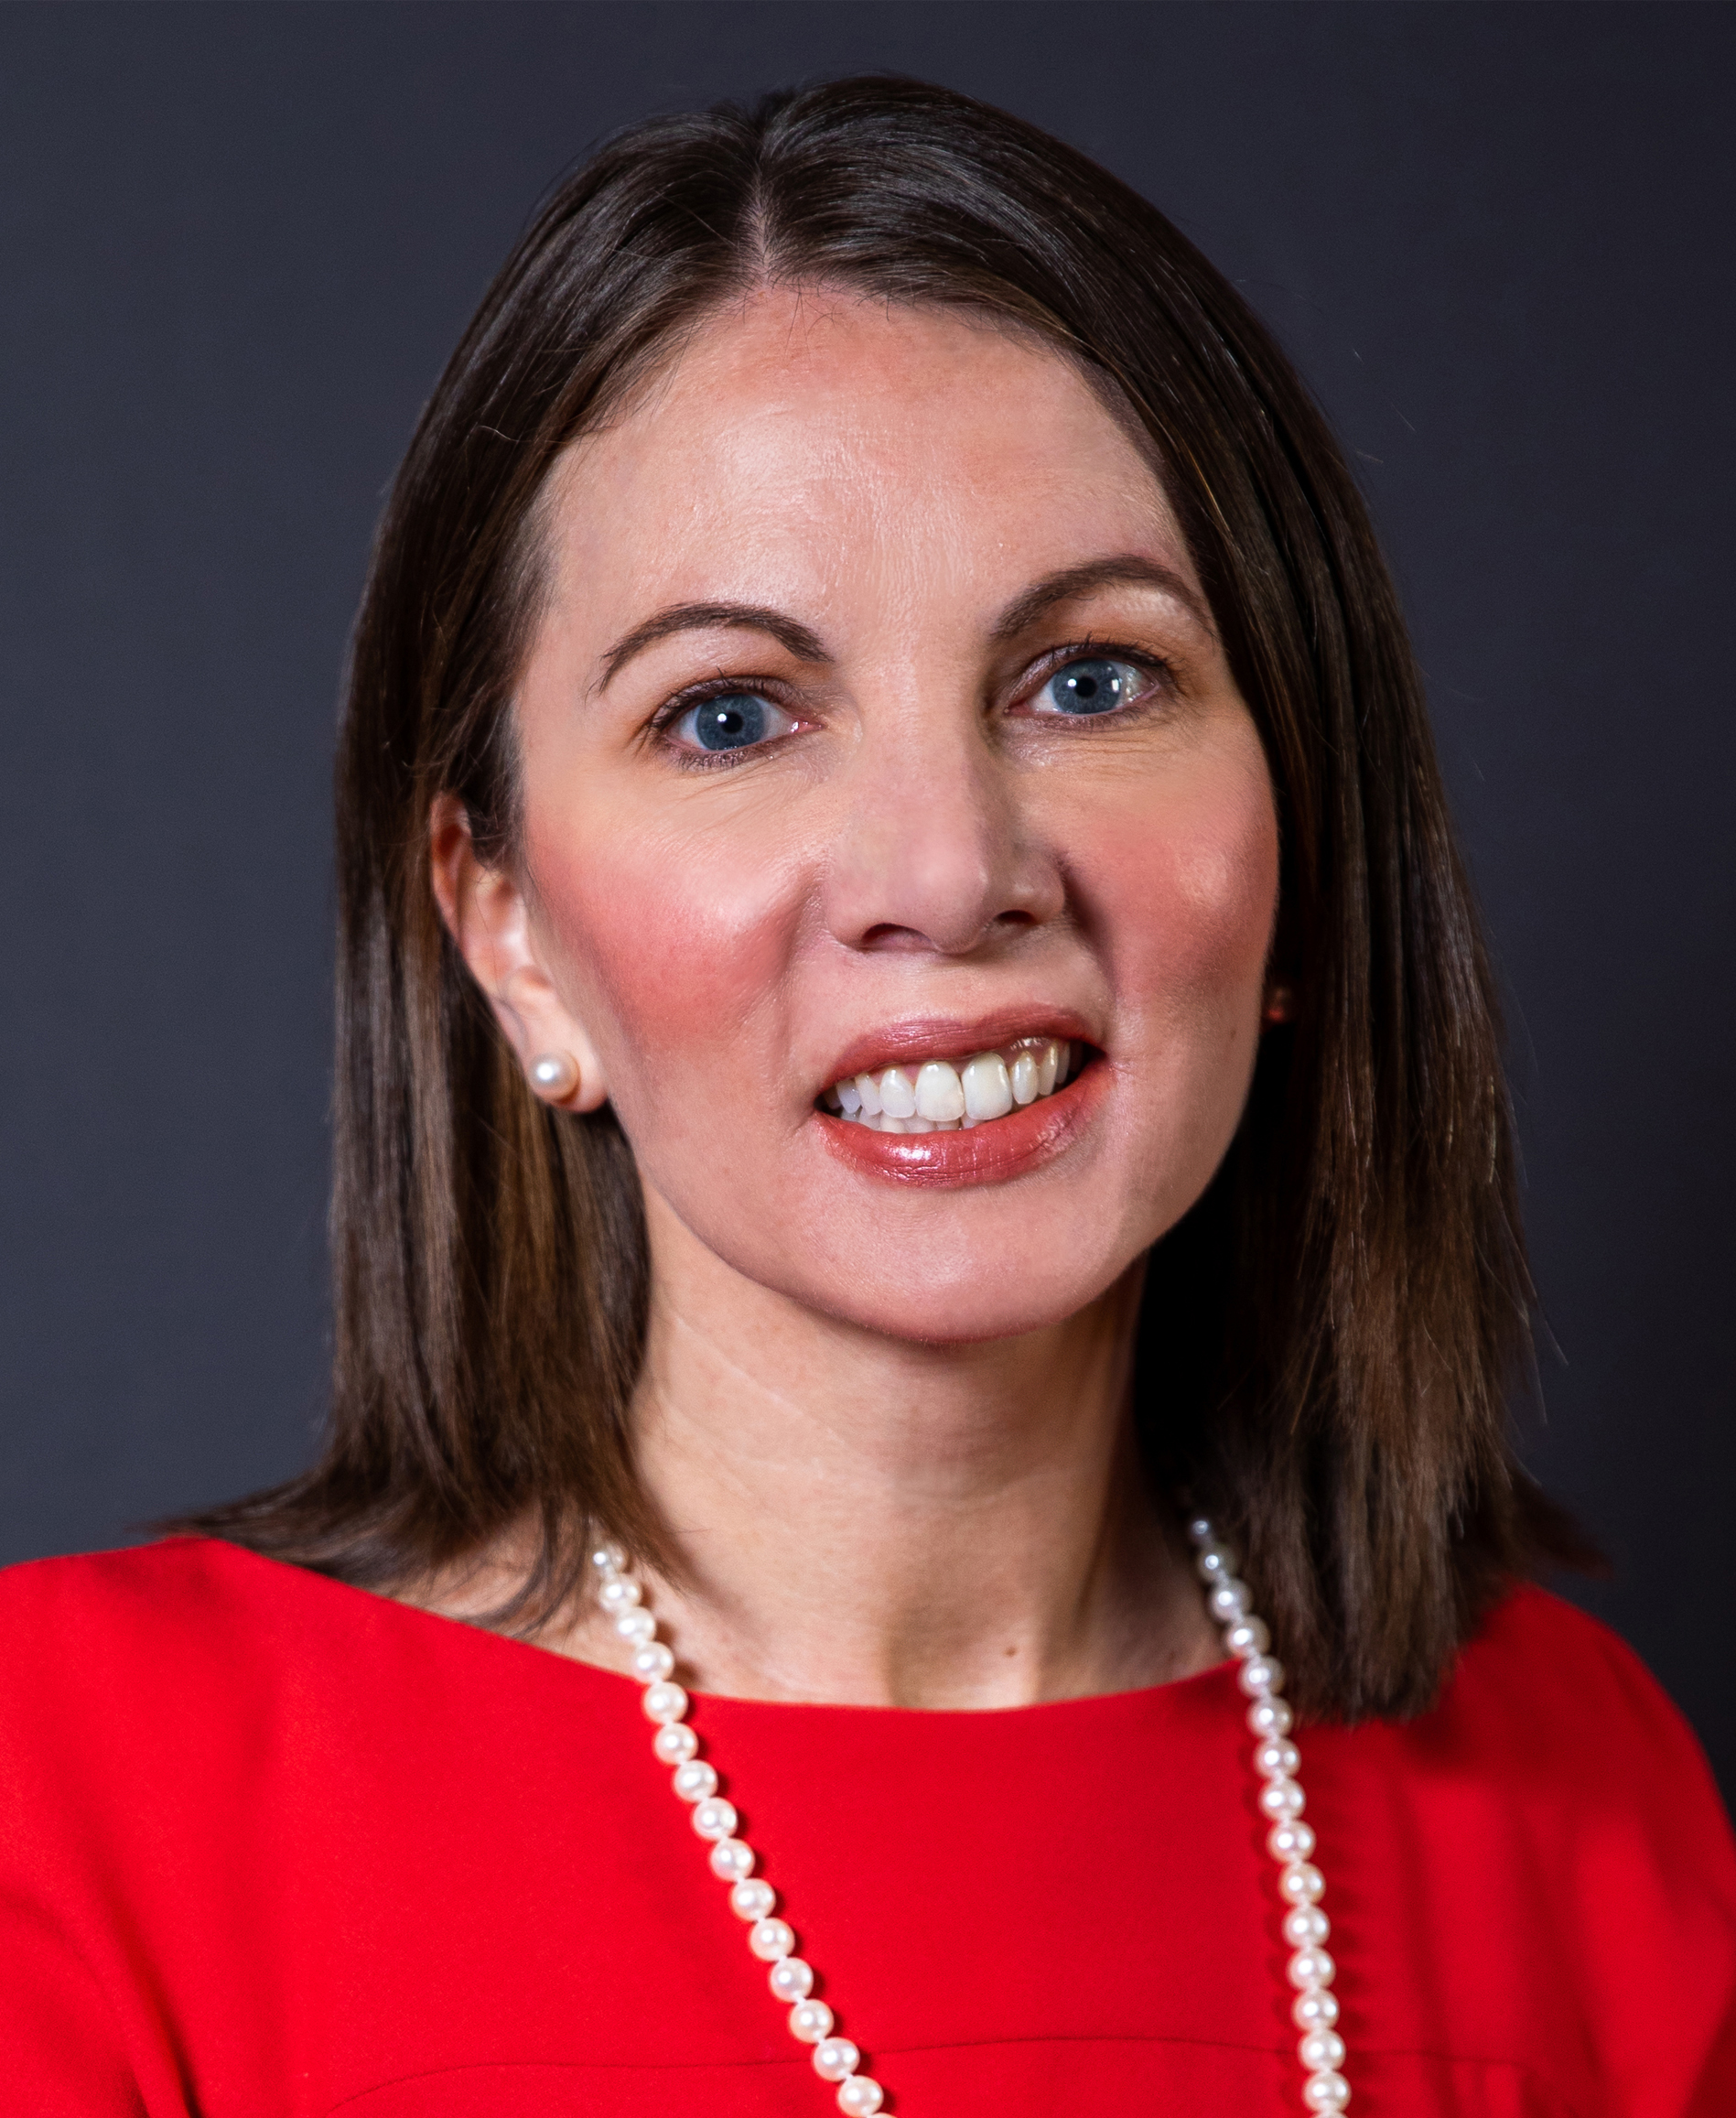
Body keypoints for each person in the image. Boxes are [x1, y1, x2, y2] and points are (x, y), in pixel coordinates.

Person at [2, 76, 1730, 2117]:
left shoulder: (1581, 1801)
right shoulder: (74, 1806)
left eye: (1091, 679)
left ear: (1298, 841)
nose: (947, 868)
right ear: (509, 930)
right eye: (730, 715)